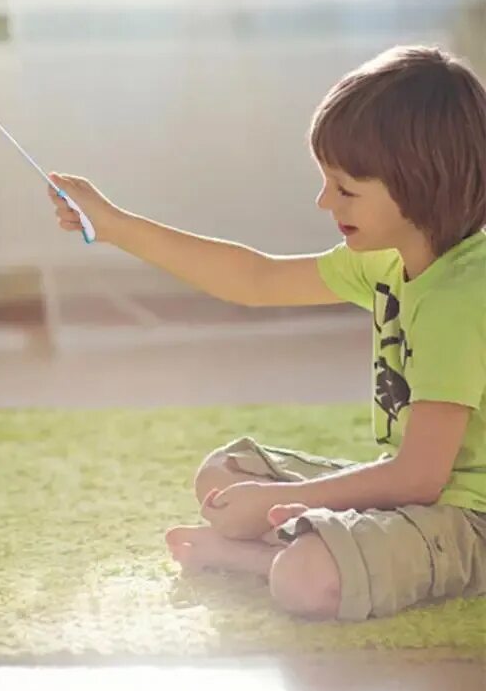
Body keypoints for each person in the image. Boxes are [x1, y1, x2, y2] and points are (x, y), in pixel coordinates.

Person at [47, 45, 486, 622]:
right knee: (224, 475)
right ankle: (296, 541)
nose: (324, 201)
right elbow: (255, 278)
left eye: (346, 189)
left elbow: (419, 477)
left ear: (420, 183)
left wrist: (280, 500)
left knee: (307, 579)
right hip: (418, 503)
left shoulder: (461, 296)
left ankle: (258, 558)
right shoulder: (389, 258)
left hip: (469, 522)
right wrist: (114, 226)